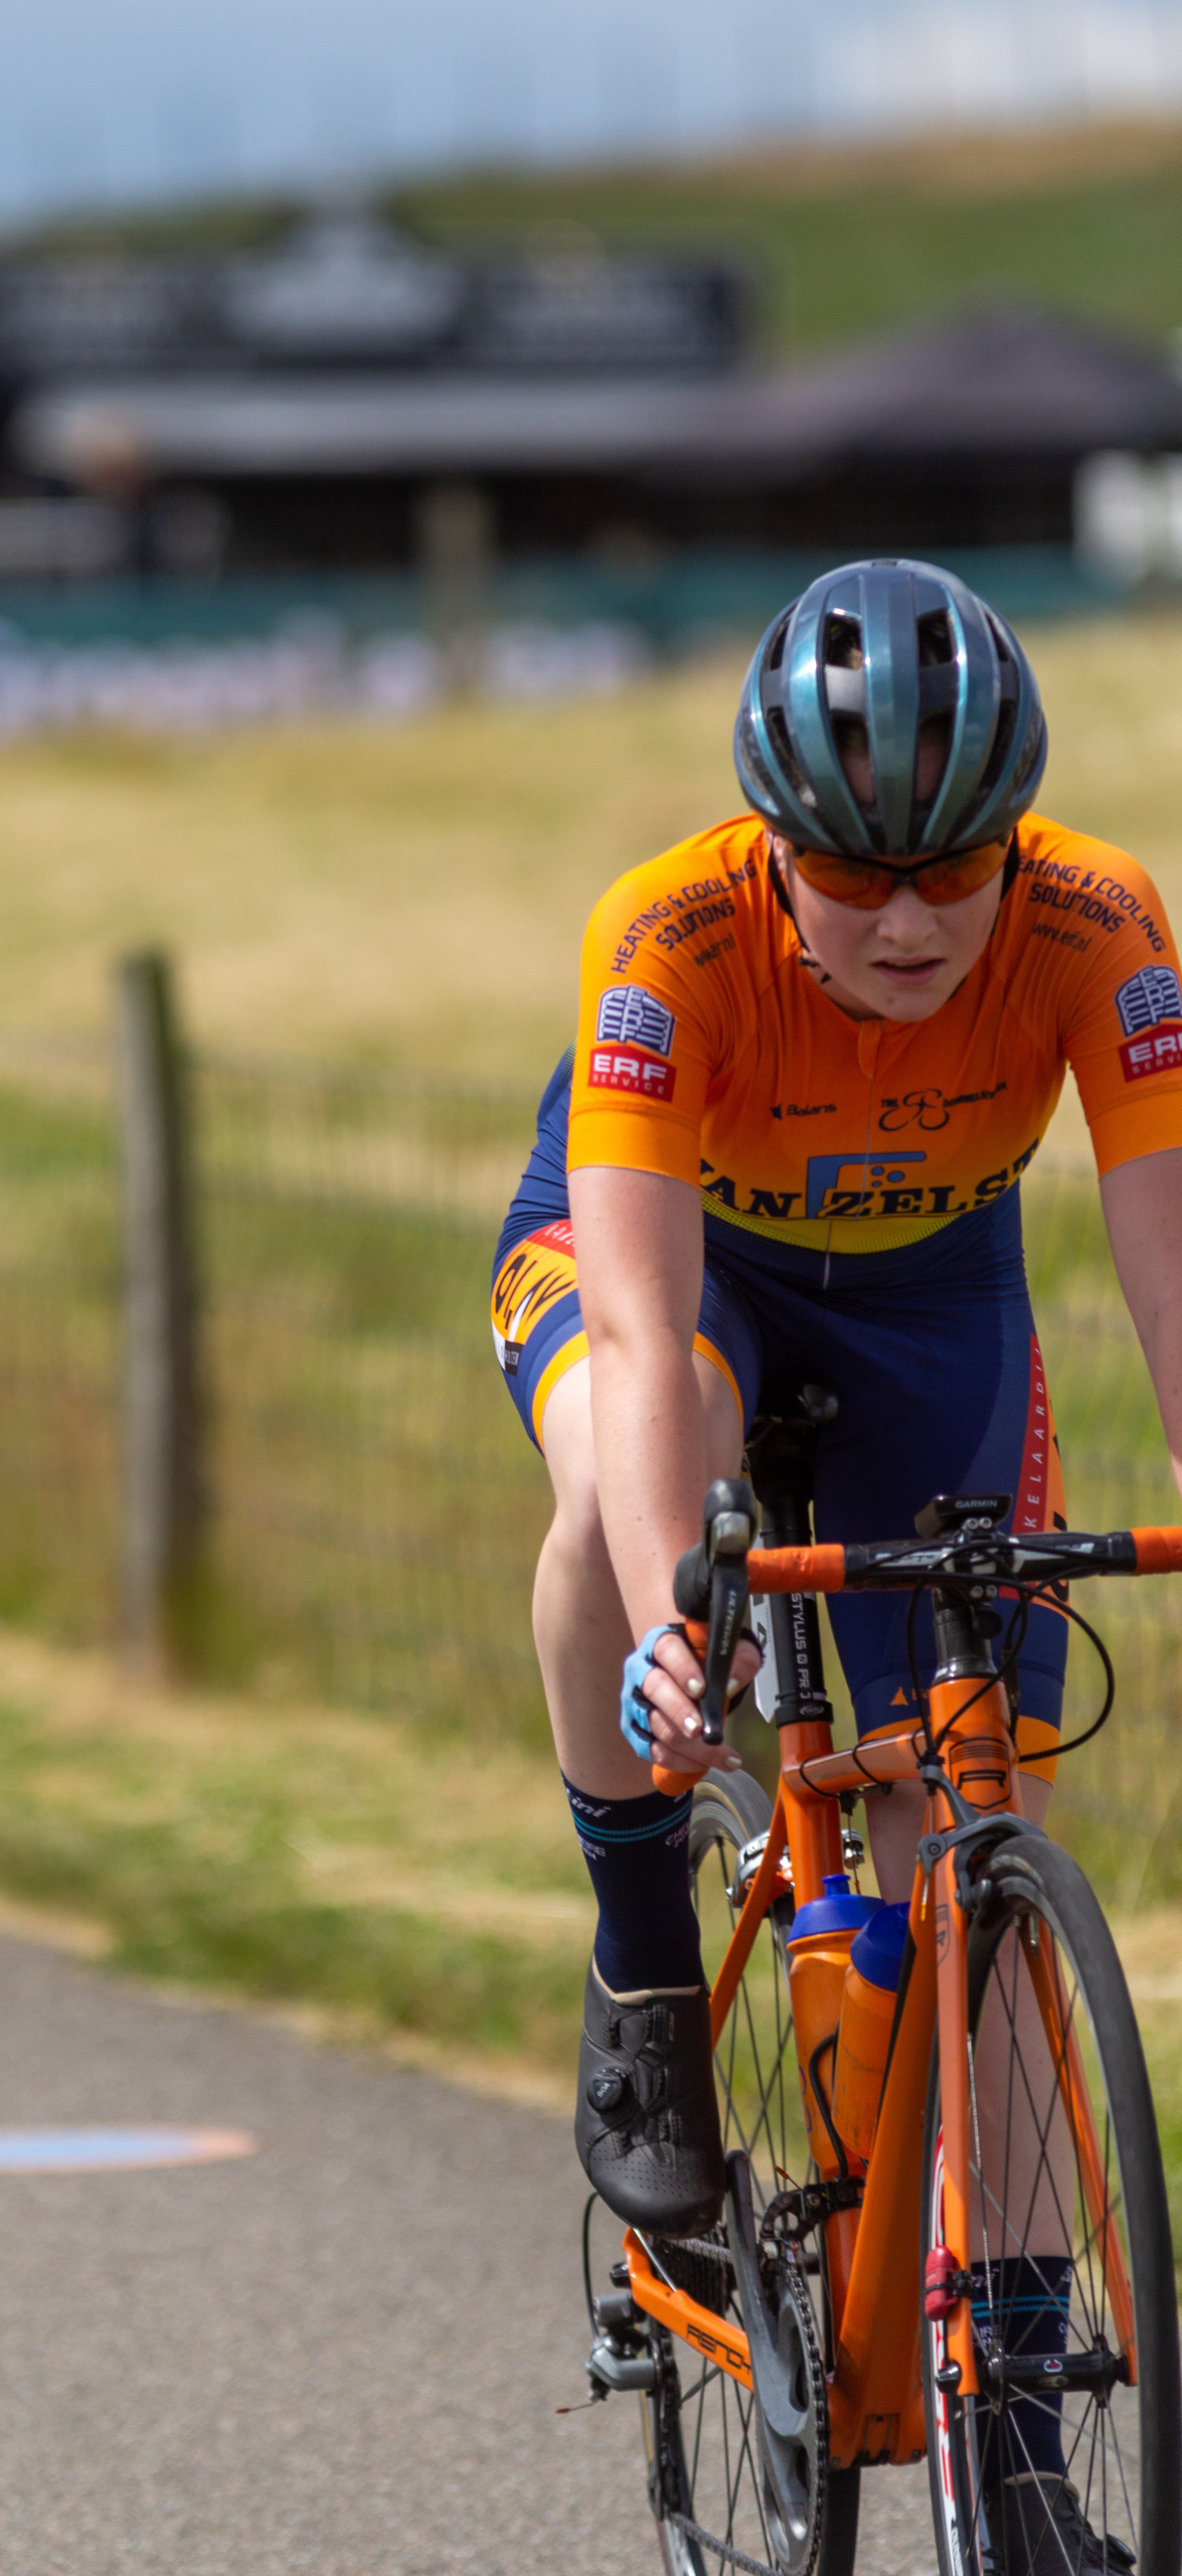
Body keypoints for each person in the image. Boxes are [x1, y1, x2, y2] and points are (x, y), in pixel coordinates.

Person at [492, 560, 1182, 2258]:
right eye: (849, 872)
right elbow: (647, 1337)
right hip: (679, 1267)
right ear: (770, 843)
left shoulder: (1101, 922)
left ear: (1014, 838)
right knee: (626, 1486)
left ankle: (1014, 2392)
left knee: (971, 1820)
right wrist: (679, 1613)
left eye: (953, 867)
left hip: (936, 1302)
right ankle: (649, 1957)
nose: (906, 922)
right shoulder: (666, 940)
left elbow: (1172, 1268)